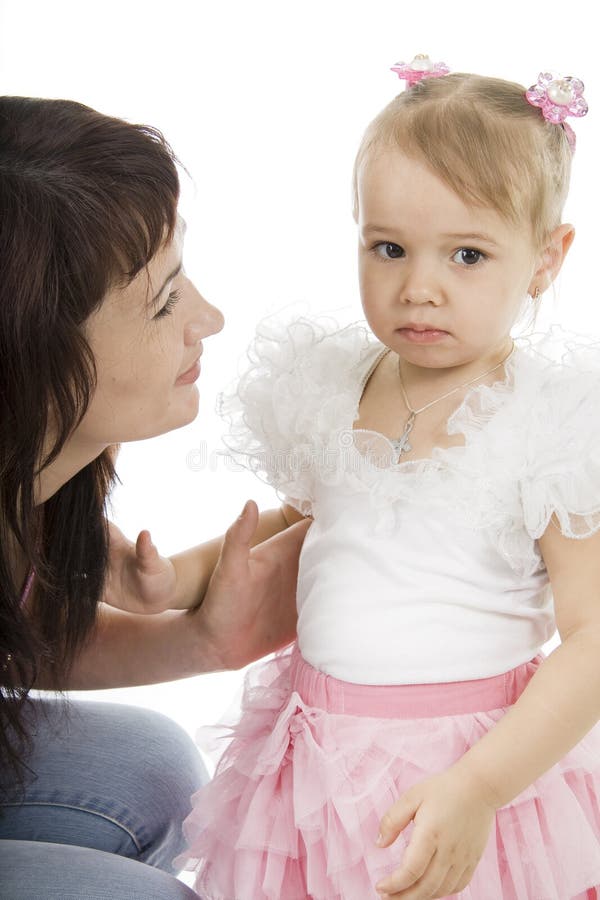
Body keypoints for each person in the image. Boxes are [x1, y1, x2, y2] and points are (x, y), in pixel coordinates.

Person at [177, 62, 600, 899]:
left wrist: (480, 788)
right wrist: (177, 577)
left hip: (464, 773)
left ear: (547, 258)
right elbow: (300, 526)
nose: (419, 287)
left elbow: (592, 637)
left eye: (468, 254)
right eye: (389, 248)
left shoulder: (552, 427)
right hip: (313, 765)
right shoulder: (339, 384)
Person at [0, 95, 310, 900]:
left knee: (156, 767)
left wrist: (202, 640)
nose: (209, 317)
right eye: (165, 301)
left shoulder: (32, 473)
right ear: (29, 351)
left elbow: (15, 631)